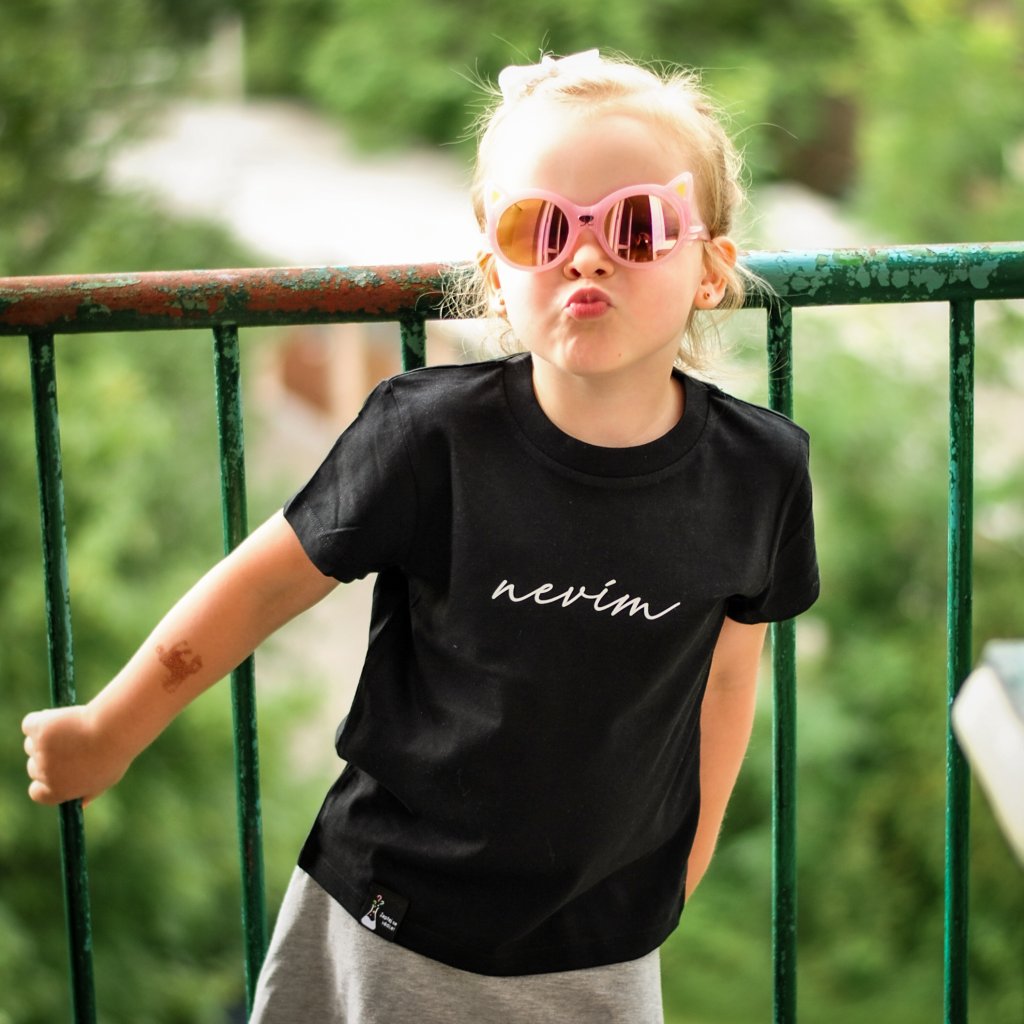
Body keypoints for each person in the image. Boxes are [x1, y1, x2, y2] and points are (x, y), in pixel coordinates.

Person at [22, 50, 819, 1023]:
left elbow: (727, 680)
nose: (584, 255)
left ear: (711, 268)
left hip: (600, 946)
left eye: (637, 225)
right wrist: (110, 730)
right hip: (387, 919)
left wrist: (684, 863)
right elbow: (262, 585)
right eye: (540, 228)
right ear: (495, 275)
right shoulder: (430, 438)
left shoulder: (758, 474)